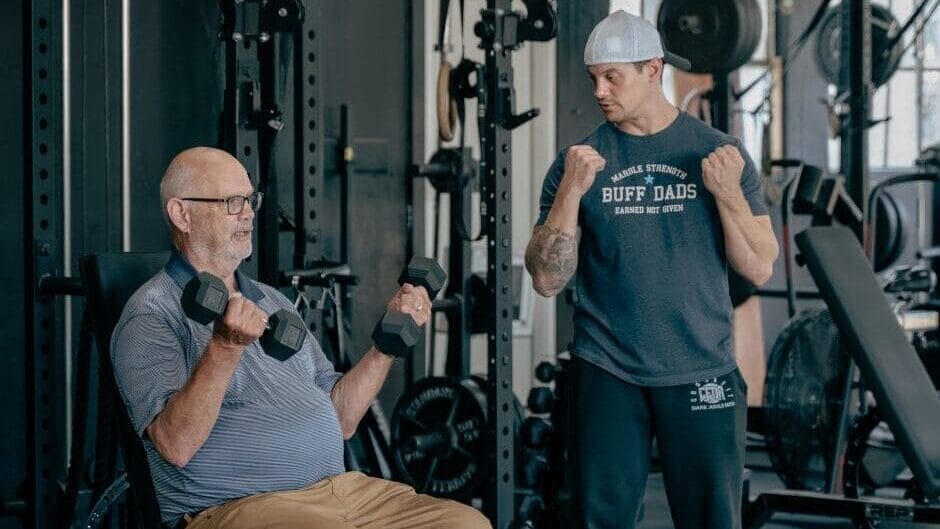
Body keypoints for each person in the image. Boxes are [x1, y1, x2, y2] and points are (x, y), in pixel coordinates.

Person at [111, 146, 491, 529]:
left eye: (250, 199)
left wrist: (385, 345)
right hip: (240, 507)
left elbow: (341, 418)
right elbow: (175, 445)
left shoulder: (272, 300)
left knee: (466, 524)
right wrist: (225, 347)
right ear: (182, 214)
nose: (247, 213)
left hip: (342, 493)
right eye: (231, 201)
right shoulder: (151, 314)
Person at [524, 10, 778, 529]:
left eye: (612, 76)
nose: (599, 90)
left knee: (713, 520)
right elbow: (547, 279)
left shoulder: (718, 153)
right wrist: (571, 192)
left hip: (702, 367)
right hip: (607, 369)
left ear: (652, 70)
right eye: (593, 77)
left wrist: (727, 193)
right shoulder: (578, 162)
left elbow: (759, 266)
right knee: (600, 520)